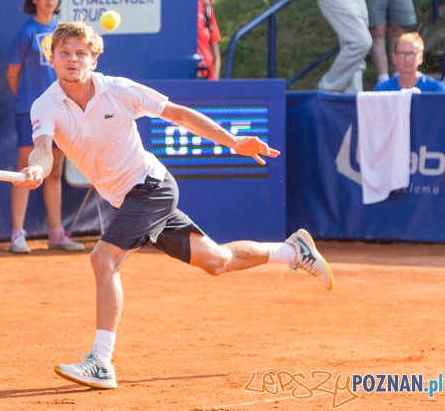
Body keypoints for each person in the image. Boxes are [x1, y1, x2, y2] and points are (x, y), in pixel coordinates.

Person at [17, 21, 334, 390]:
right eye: (64, 53)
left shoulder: (120, 90)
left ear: (94, 59)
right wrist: (36, 169)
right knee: (217, 261)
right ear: (51, 58)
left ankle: (101, 362)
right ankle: (293, 250)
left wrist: (232, 141)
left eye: (81, 53)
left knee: (103, 259)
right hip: (128, 199)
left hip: (151, 187)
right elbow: (43, 149)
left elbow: (178, 114)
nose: (72, 60)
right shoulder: (46, 104)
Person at [5, 0, 84, 254]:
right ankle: (17, 233)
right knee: (27, 170)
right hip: (30, 111)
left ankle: (55, 232)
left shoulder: (64, 33)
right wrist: (29, 102)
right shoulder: (26, 34)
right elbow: (12, 74)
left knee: (53, 171)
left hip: (61, 112)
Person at [373, 32, 445, 92]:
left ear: (420, 58)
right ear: (394, 58)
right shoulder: (382, 90)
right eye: (402, 54)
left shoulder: (436, 89)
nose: (407, 59)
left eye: (411, 54)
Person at [196, 0, 221, 80]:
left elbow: (216, 53)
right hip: (190, 80)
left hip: (208, 81)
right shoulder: (181, 7)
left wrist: (215, 85)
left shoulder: (207, 10)